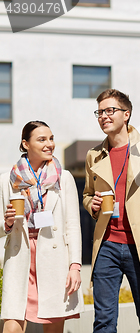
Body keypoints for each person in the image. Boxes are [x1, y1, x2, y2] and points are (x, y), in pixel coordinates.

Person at [82, 89, 140, 333]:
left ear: (127, 114)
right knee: (103, 321)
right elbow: (87, 194)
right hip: (107, 245)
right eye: (100, 112)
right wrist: (90, 204)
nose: (103, 116)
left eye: (110, 110)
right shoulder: (94, 155)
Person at [0, 121, 84, 333]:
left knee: (53, 328)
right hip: (21, 257)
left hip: (54, 258)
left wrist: (75, 265)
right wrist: (7, 223)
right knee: (11, 327)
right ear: (25, 144)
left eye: (51, 138)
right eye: (42, 139)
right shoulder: (7, 181)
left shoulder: (63, 178)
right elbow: (1, 226)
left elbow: (72, 225)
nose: (49, 144)